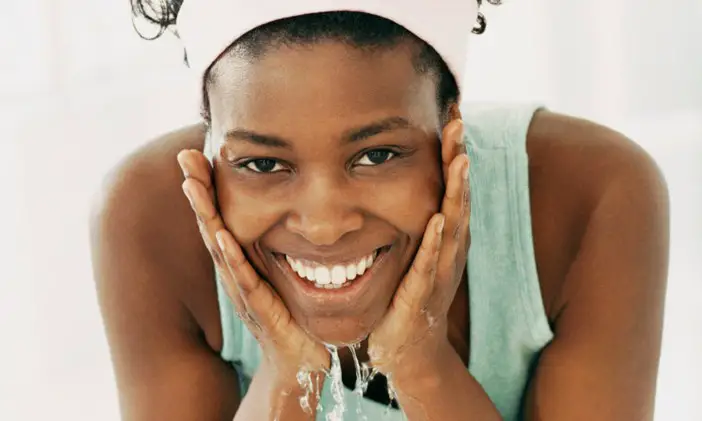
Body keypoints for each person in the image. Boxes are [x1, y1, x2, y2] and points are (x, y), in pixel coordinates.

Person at [89, 1, 670, 420]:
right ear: (212, 145)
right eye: (263, 165)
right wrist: (288, 373)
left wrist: (419, 361)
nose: (322, 223)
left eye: (377, 154)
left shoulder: (594, 198)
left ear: (451, 134)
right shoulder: (148, 221)